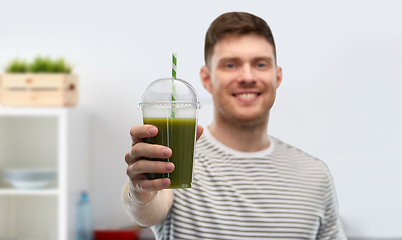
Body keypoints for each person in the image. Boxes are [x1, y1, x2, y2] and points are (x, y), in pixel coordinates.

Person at [122, 12, 346, 239]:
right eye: (231, 65)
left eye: (260, 64)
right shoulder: (177, 159)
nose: (247, 76)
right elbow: (146, 211)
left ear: (277, 77)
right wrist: (139, 191)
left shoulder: (316, 175)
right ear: (207, 79)